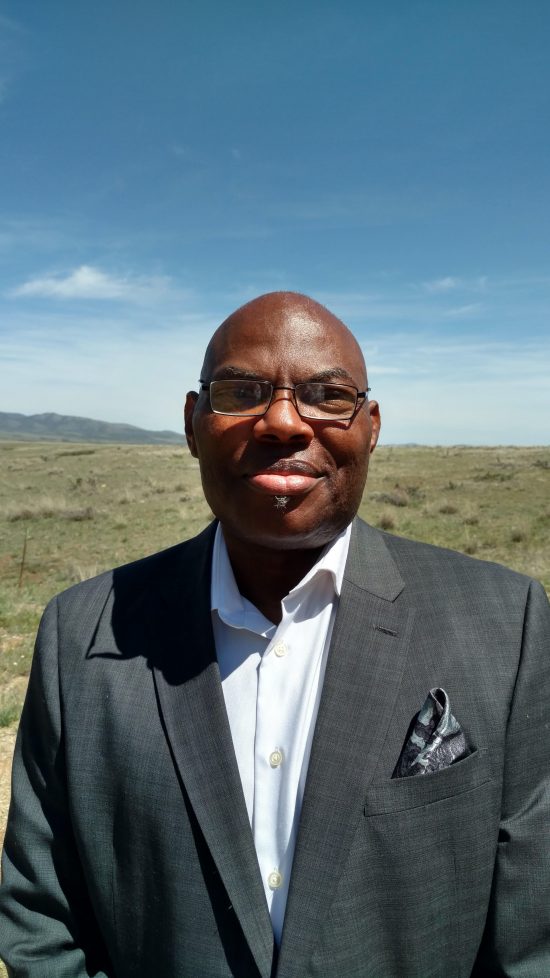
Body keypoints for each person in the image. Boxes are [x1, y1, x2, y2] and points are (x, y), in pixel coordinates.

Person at [1, 291, 549, 978]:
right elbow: (42, 922)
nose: (284, 421)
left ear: (371, 426)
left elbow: (533, 937)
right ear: (193, 423)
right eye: (241, 391)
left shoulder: (506, 621)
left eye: (328, 394)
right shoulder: (82, 634)